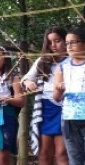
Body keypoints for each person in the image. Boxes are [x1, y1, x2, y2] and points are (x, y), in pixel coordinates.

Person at [21, 26, 68, 165]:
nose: (53, 45)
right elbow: (26, 78)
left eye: (57, 40)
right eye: (49, 42)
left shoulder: (73, 60)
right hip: (45, 109)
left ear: (66, 41)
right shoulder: (43, 60)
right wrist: (29, 82)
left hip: (66, 108)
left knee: (62, 152)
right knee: (44, 152)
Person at [54, 27, 85, 165]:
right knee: (75, 159)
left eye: (73, 42)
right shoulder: (62, 67)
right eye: (67, 43)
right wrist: (59, 90)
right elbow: (56, 97)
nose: (69, 46)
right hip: (69, 118)